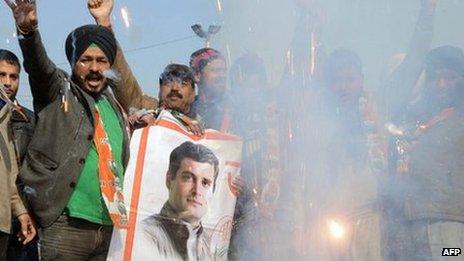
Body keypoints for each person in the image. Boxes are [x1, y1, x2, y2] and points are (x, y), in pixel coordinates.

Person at [4, 0, 132, 259]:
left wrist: (104, 22)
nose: (94, 68)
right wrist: (28, 33)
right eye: (85, 60)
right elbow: (38, 67)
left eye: (101, 60)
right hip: (65, 226)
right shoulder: (58, 90)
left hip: (109, 228)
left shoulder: (115, 105)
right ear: (74, 63)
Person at [87, 0, 203, 135]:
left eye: (183, 84)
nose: (175, 89)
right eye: (169, 82)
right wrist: (103, 22)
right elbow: (122, 79)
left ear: (193, 93)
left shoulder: (207, 122)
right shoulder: (144, 109)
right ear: (159, 88)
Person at [135, 141, 219, 260]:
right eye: (188, 178)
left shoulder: (213, 246)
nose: (197, 190)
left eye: (205, 183)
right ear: (169, 180)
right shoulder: (143, 235)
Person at [0, 49, 38, 260]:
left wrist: (26, 211)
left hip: (20, 216)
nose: (7, 82)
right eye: (2, 75)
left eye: (13, 76)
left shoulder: (29, 120)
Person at [189, 48, 230, 131]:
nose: (222, 76)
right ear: (197, 75)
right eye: (215, 71)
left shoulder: (235, 105)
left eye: (224, 71)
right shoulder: (188, 110)